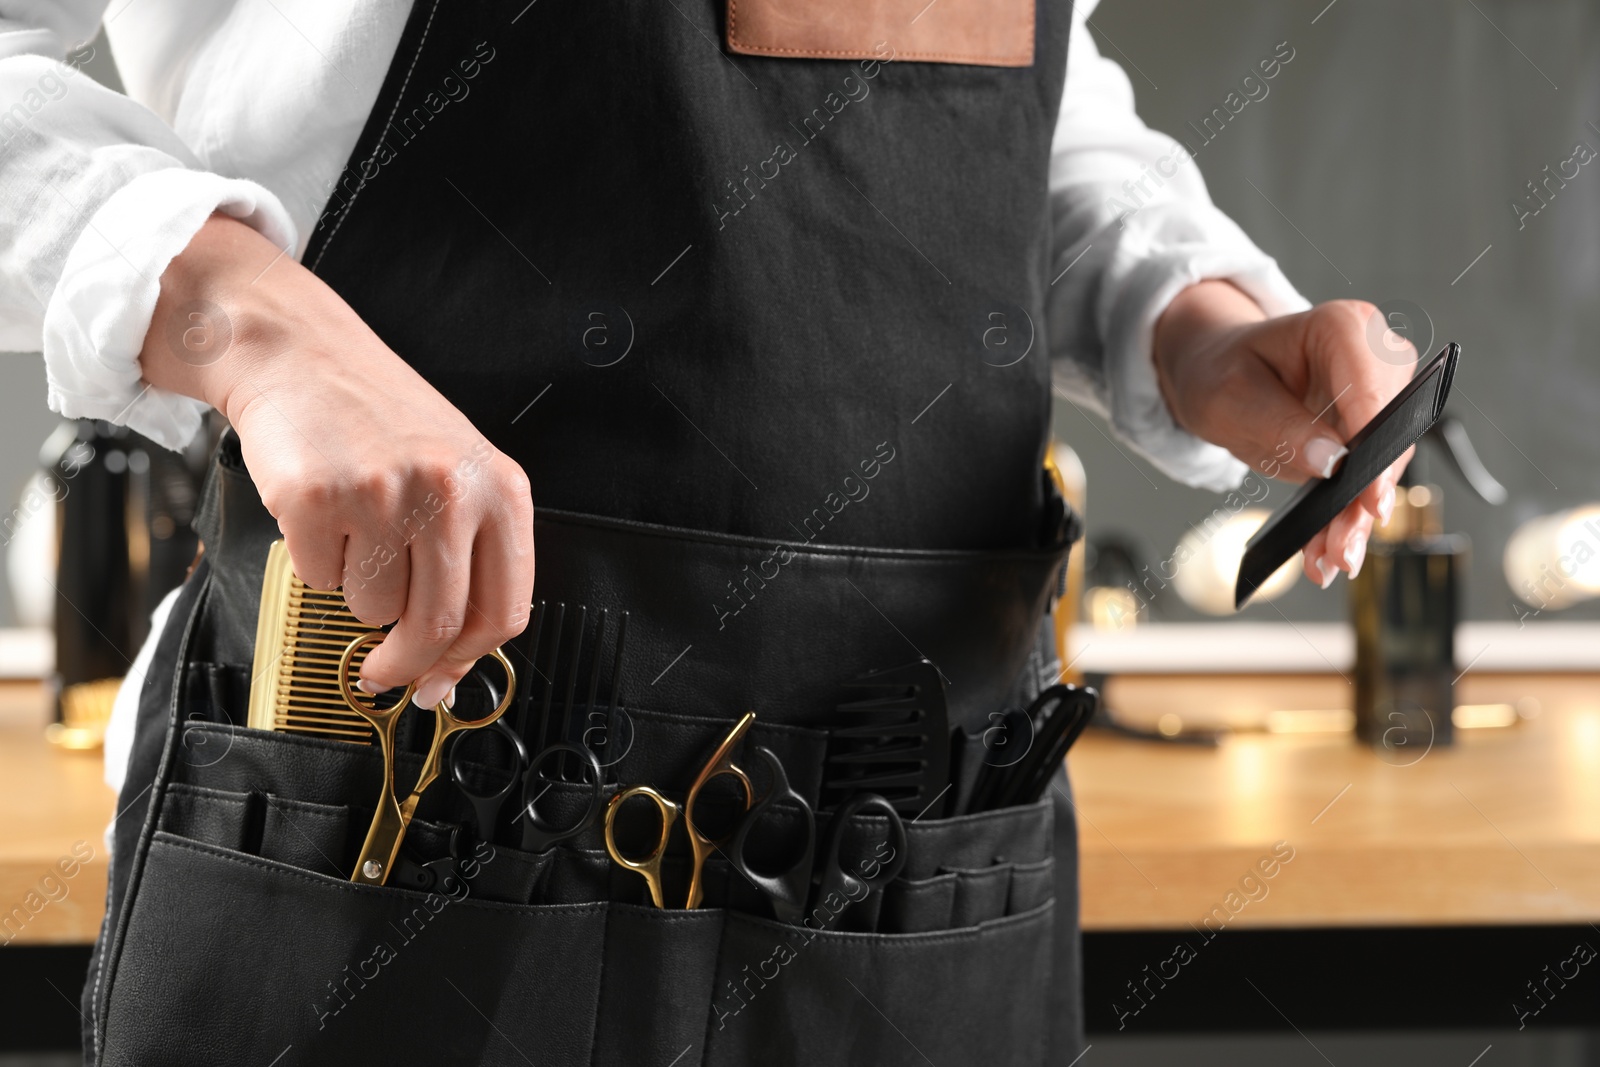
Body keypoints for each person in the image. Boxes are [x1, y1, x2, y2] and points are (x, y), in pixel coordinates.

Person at [0, 0, 1412, 1063]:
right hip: (386, 833)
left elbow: (1035, 105)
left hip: (919, 872)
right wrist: (234, 307)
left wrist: (1189, 315)